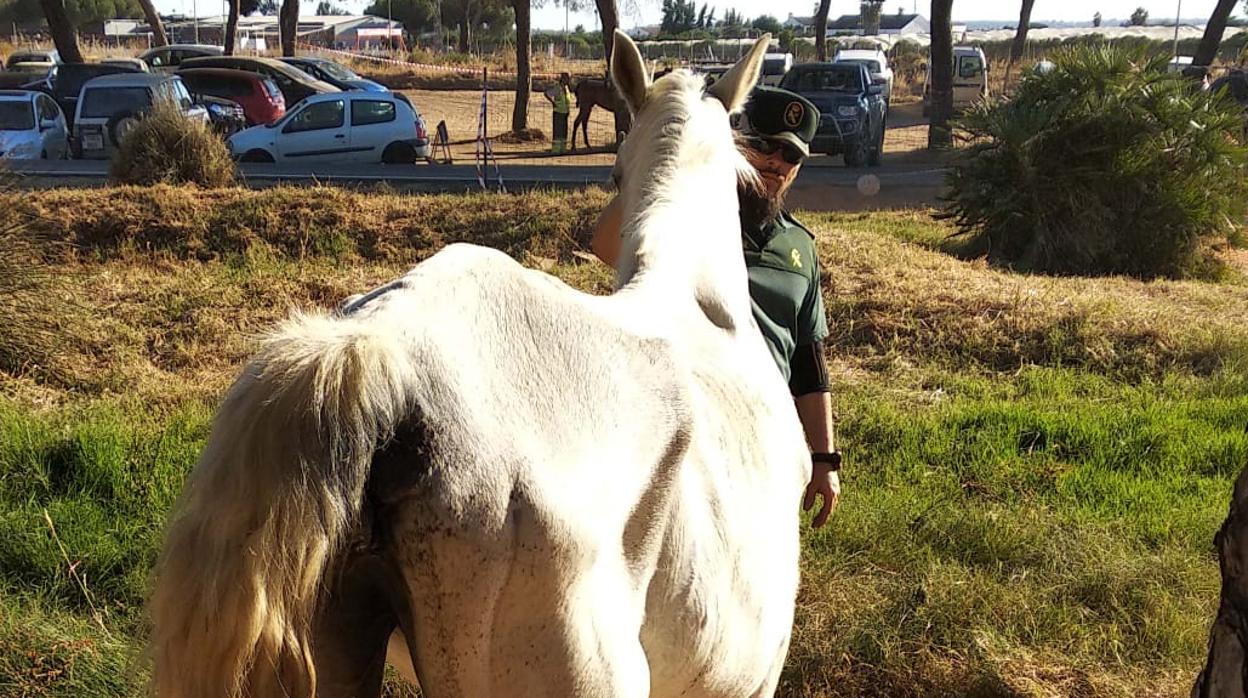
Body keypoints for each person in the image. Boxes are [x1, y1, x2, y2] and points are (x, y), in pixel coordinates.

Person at [591, 86, 841, 529]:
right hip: (684, 426)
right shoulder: (689, 217)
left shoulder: (800, 246)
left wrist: (825, 459)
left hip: (761, 430)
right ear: (735, 142)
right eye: (765, 146)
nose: (776, 162)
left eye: (790, 154)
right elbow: (606, 246)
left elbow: (808, 360)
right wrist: (664, 161)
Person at [545, 73, 573, 154]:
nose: (569, 80)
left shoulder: (566, 88)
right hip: (558, 112)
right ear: (563, 79)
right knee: (558, 131)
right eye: (567, 79)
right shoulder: (557, 88)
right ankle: (556, 150)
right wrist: (553, 102)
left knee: (564, 131)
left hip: (565, 112)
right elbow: (547, 93)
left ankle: (563, 149)